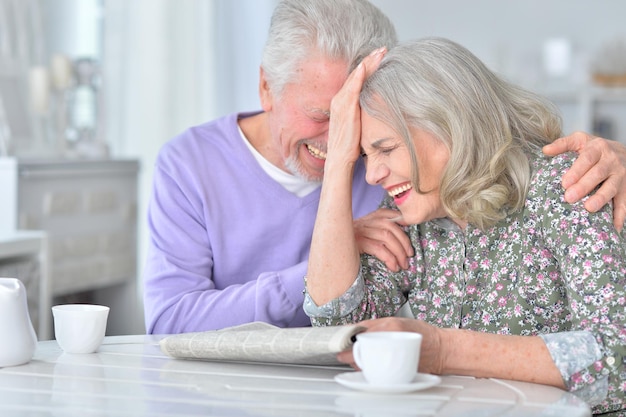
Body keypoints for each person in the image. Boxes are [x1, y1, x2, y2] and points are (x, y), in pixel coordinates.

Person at [143, 0, 626, 335]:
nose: (346, 150)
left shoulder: (409, 184)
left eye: (354, 124)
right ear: (266, 88)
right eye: (323, 117)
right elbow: (170, 322)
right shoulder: (189, 165)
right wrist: (338, 238)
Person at [303, 38, 626, 416]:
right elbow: (336, 328)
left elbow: (617, 359)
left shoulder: (568, 185)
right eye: (363, 156)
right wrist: (338, 161)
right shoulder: (409, 212)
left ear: (450, 124)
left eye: (386, 149)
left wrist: (444, 350)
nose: (372, 175)